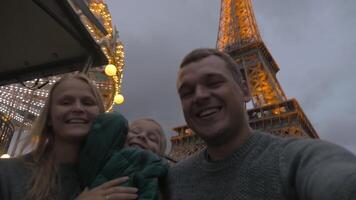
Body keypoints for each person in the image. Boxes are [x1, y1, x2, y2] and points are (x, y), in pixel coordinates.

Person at [164, 48, 356, 200]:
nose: (200, 96)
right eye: (187, 92)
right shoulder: (172, 179)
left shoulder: (296, 159)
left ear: (245, 91)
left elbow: (338, 180)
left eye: (214, 83)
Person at [0, 73, 138, 200]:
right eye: (66, 102)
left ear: (101, 116)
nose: (78, 108)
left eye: (87, 103)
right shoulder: (8, 174)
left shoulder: (117, 176)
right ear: (49, 117)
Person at [78, 115, 168, 200]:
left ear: (160, 154)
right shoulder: (102, 159)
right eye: (135, 132)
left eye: (152, 138)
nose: (142, 136)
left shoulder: (155, 173)